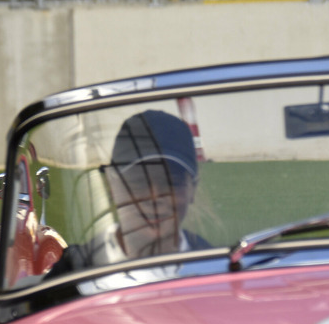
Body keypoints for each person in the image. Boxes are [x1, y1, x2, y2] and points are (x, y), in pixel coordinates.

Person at [48, 109, 210, 275]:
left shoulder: (215, 269)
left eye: (170, 182)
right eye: (140, 182)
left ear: (192, 189)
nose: (154, 196)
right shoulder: (73, 274)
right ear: (113, 186)